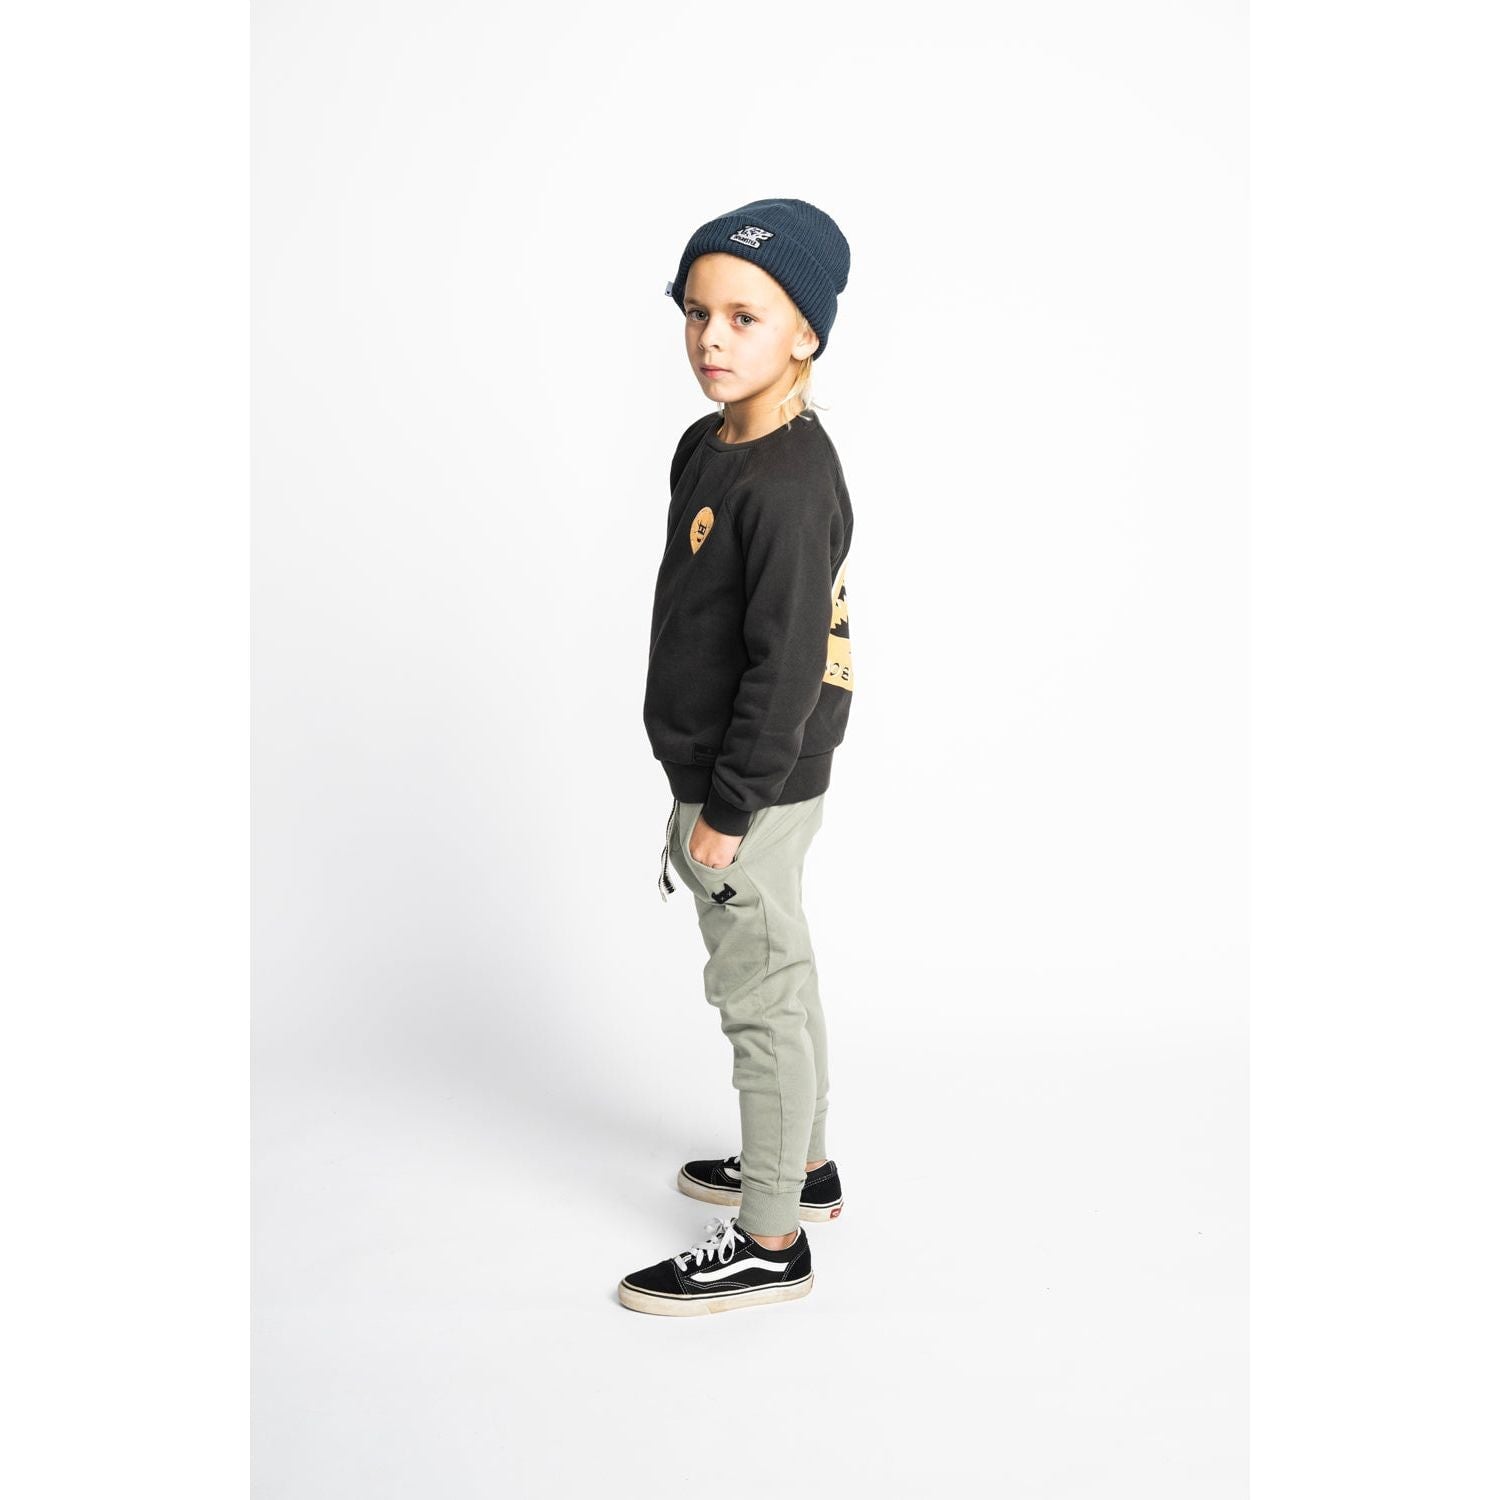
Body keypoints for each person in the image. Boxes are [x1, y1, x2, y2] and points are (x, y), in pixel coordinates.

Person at [617, 198, 857, 1316]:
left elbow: (789, 664)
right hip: (727, 772)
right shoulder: (707, 446)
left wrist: (727, 806)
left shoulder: (792, 483)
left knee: (757, 998)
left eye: (745, 317)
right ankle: (801, 1167)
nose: (712, 338)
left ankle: (769, 1236)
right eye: (696, 312)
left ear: (805, 333)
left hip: (749, 783)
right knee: (781, 970)